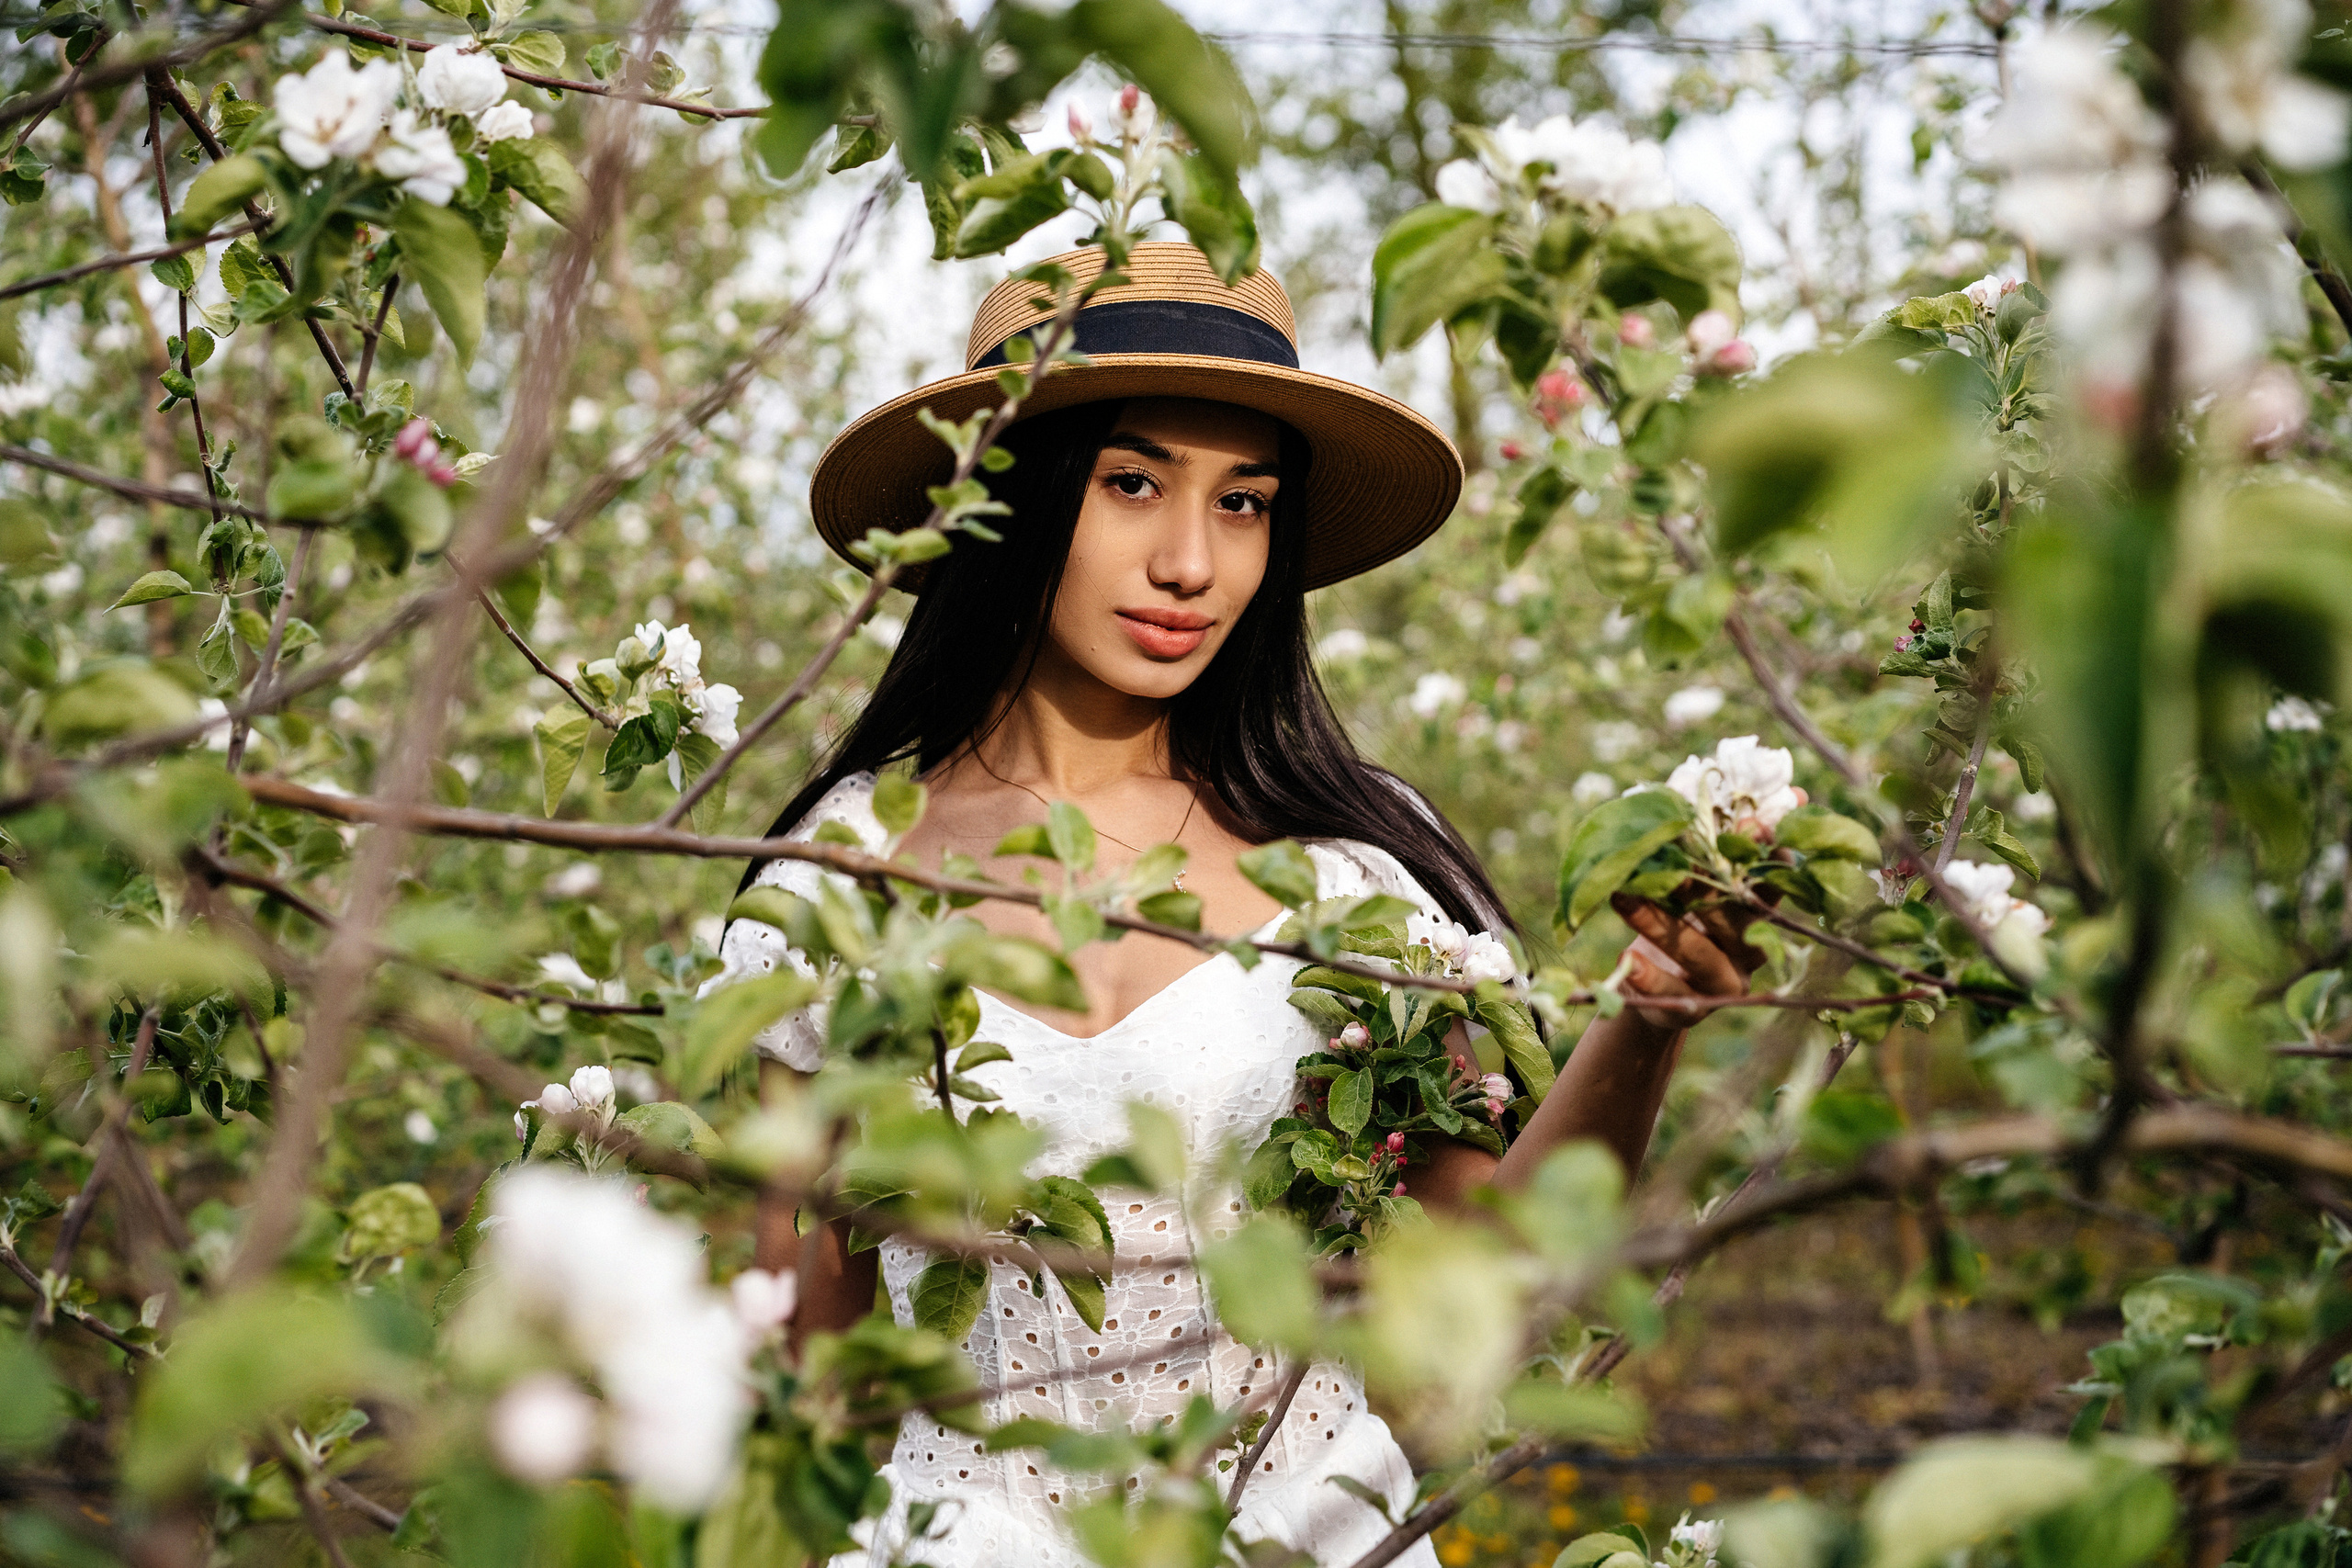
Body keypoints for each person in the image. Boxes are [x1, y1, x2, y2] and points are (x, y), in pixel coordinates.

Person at [707, 242, 1758, 1568]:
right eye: (1132, 484)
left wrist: (1641, 1028)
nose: (1191, 562)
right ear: (1007, 503)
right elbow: (798, 1383)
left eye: (1245, 503)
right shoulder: (840, 884)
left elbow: (1455, 1338)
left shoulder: (1356, 875)